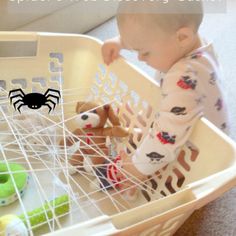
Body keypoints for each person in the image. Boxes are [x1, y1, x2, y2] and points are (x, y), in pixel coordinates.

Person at [100, 0, 229, 195]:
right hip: (184, 116)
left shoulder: (183, 77)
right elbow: (148, 33)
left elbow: (167, 138)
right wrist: (122, 42)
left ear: (182, 37)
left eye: (144, 51)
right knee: (135, 117)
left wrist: (137, 169)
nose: (140, 58)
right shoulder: (190, 42)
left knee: (165, 176)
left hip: (199, 150)